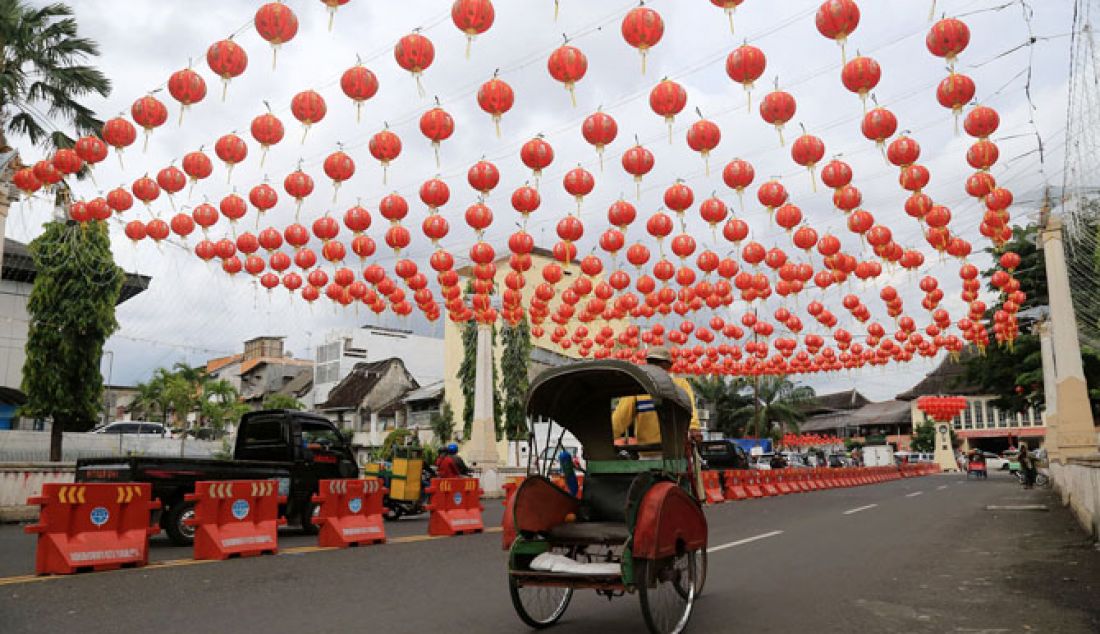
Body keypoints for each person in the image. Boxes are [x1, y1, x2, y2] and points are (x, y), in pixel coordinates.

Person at [611, 346, 701, 445]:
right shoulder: (637, 386)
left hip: (674, 452)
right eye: (652, 362)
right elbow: (619, 420)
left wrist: (694, 428)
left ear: (668, 366)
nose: (655, 366)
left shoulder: (680, 384)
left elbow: (691, 411)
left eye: (659, 363)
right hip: (648, 451)